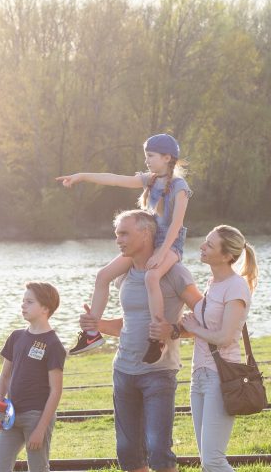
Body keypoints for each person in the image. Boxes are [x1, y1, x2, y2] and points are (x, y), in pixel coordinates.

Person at [79, 210, 201, 472]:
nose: (118, 239)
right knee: (128, 450)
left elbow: (204, 317)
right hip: (124, 373)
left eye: (124, 234)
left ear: (146, 235)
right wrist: (97, 325)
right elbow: (128, 325)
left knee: (160, 449)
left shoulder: (175, 274)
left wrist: (173, 330)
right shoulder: (124, 275)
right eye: (116, 234)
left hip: (158, 373)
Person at [156, 225, 263, 472]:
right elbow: (200, 328)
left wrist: (193, 327)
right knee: (208, 461)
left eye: (209, 244)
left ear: (227, 255)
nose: (202, 246)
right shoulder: (213, 286)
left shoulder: (236, 288)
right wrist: (178, 329)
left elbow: (225, 336)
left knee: (213, 458)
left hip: (221, 378)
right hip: (199, 377)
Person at [57, 133, 192, 358]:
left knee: (151, 277)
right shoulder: (149, 180)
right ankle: (91, 334)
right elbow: (113, 178)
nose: (147, 160)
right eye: (146, 155)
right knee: (103, 275)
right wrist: (81, 176)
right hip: (148, 245)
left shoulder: (180, 186)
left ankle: (156, 340)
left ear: (167, 157)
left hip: (170, 245)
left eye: (151, 155)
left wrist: (161, 253)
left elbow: (176, 225)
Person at [0, 281, 67, 472]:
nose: (23, 305)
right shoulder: (16, 337)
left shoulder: (53, 344)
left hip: (36, 418)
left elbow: (55, 391)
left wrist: (41, 429)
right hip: (11, 417)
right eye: (23, 300)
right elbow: (4, 375)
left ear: (45, 308)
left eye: (29, 301)